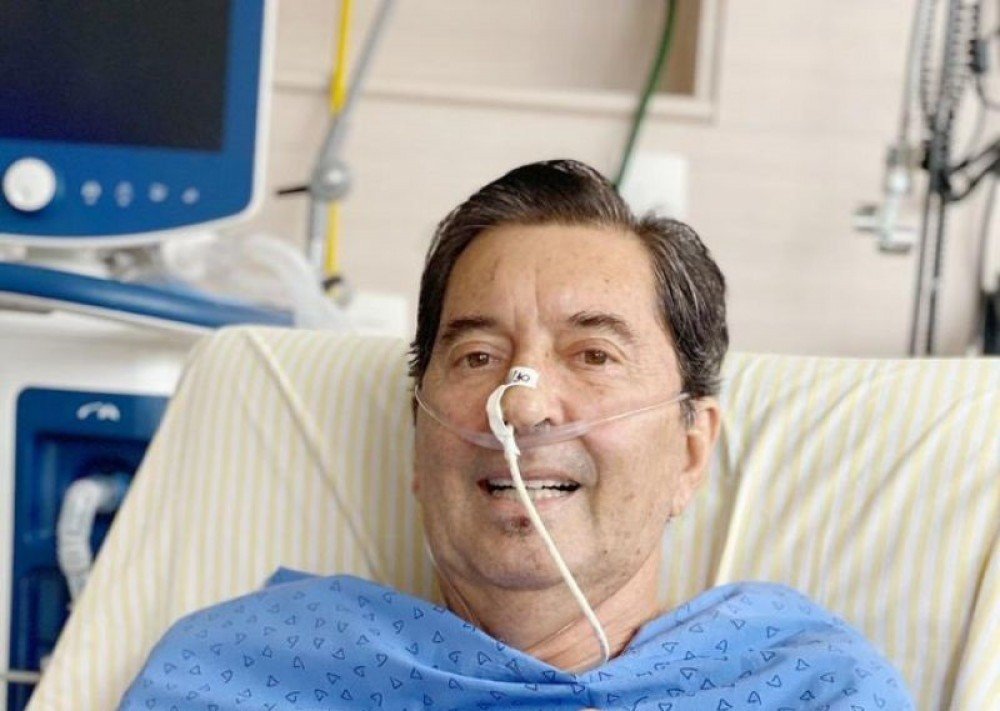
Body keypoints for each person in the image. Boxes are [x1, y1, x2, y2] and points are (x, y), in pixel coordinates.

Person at [119, 160, 913, 709]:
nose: (523, 407)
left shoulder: (808, 689)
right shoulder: (240, 674)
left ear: (691, 449)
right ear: (419, 441)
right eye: (478, 355)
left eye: (593, 354)